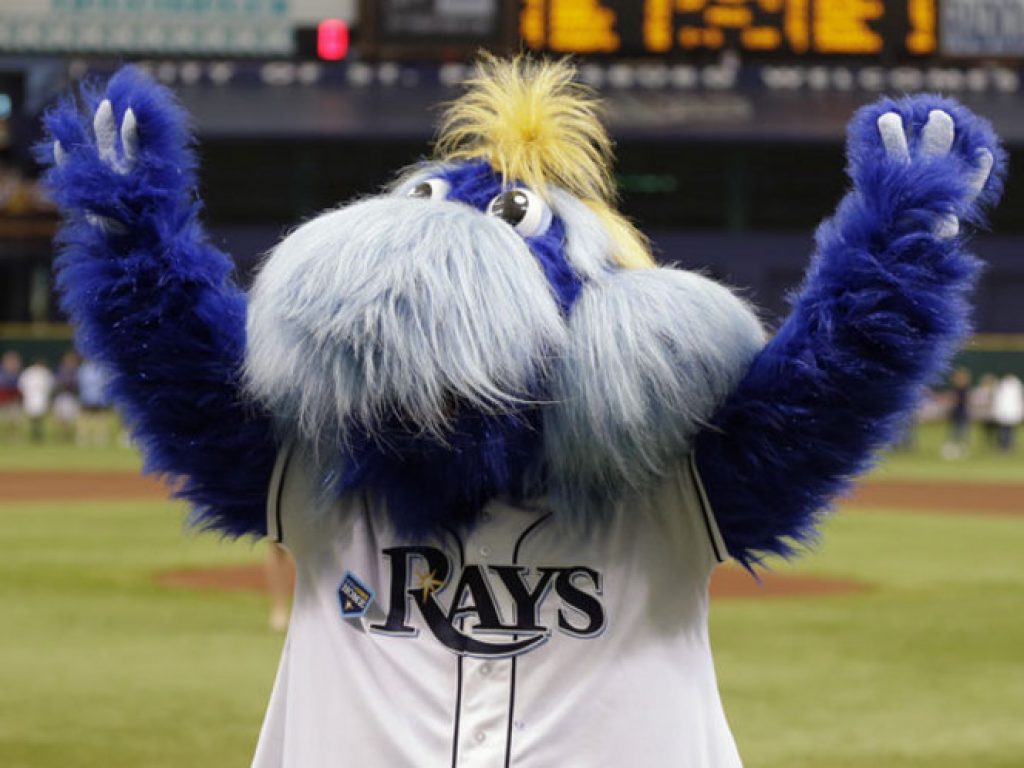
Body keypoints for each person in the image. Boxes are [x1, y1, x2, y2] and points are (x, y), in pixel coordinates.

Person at [76, 358, 112, 446]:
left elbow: (79, 383)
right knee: (98, 418)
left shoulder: (83, 369)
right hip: (96, 397)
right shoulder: (99, 370)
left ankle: (84, 438)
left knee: (86, 419)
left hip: (87, 397)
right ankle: (99, 437)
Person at [18, 359, 55, 443]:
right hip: (31, 397)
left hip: (40, 398)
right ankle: (33, 434)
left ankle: (38, 434)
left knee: (39, 418)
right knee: (33, 417)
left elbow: (50, 386)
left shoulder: (45, 373)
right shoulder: (29, 373)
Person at [52, 351, 81, 442]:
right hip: (62, 396)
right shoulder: (61, 370)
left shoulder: (77, 371)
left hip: (72, 397)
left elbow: (77, 385)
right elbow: (57, 383)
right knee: (61, 418)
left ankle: (69, 435)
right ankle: (62, 436)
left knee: (72, 418)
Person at [991, 373, 1023, 452]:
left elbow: (1019, 401)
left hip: (1011, 413)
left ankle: (1009, 446)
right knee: (1003, 431)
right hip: (1004, 413)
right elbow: (998, 401)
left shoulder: (1016, 387)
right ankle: (1003, 446)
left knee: (1010, 431)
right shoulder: (1002, 387)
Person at [0, 350, 22, 439]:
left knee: (13, 419)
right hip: (2, 398)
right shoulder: (2, 372)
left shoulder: (17, 373)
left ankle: (13, 436)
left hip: (13, 399)